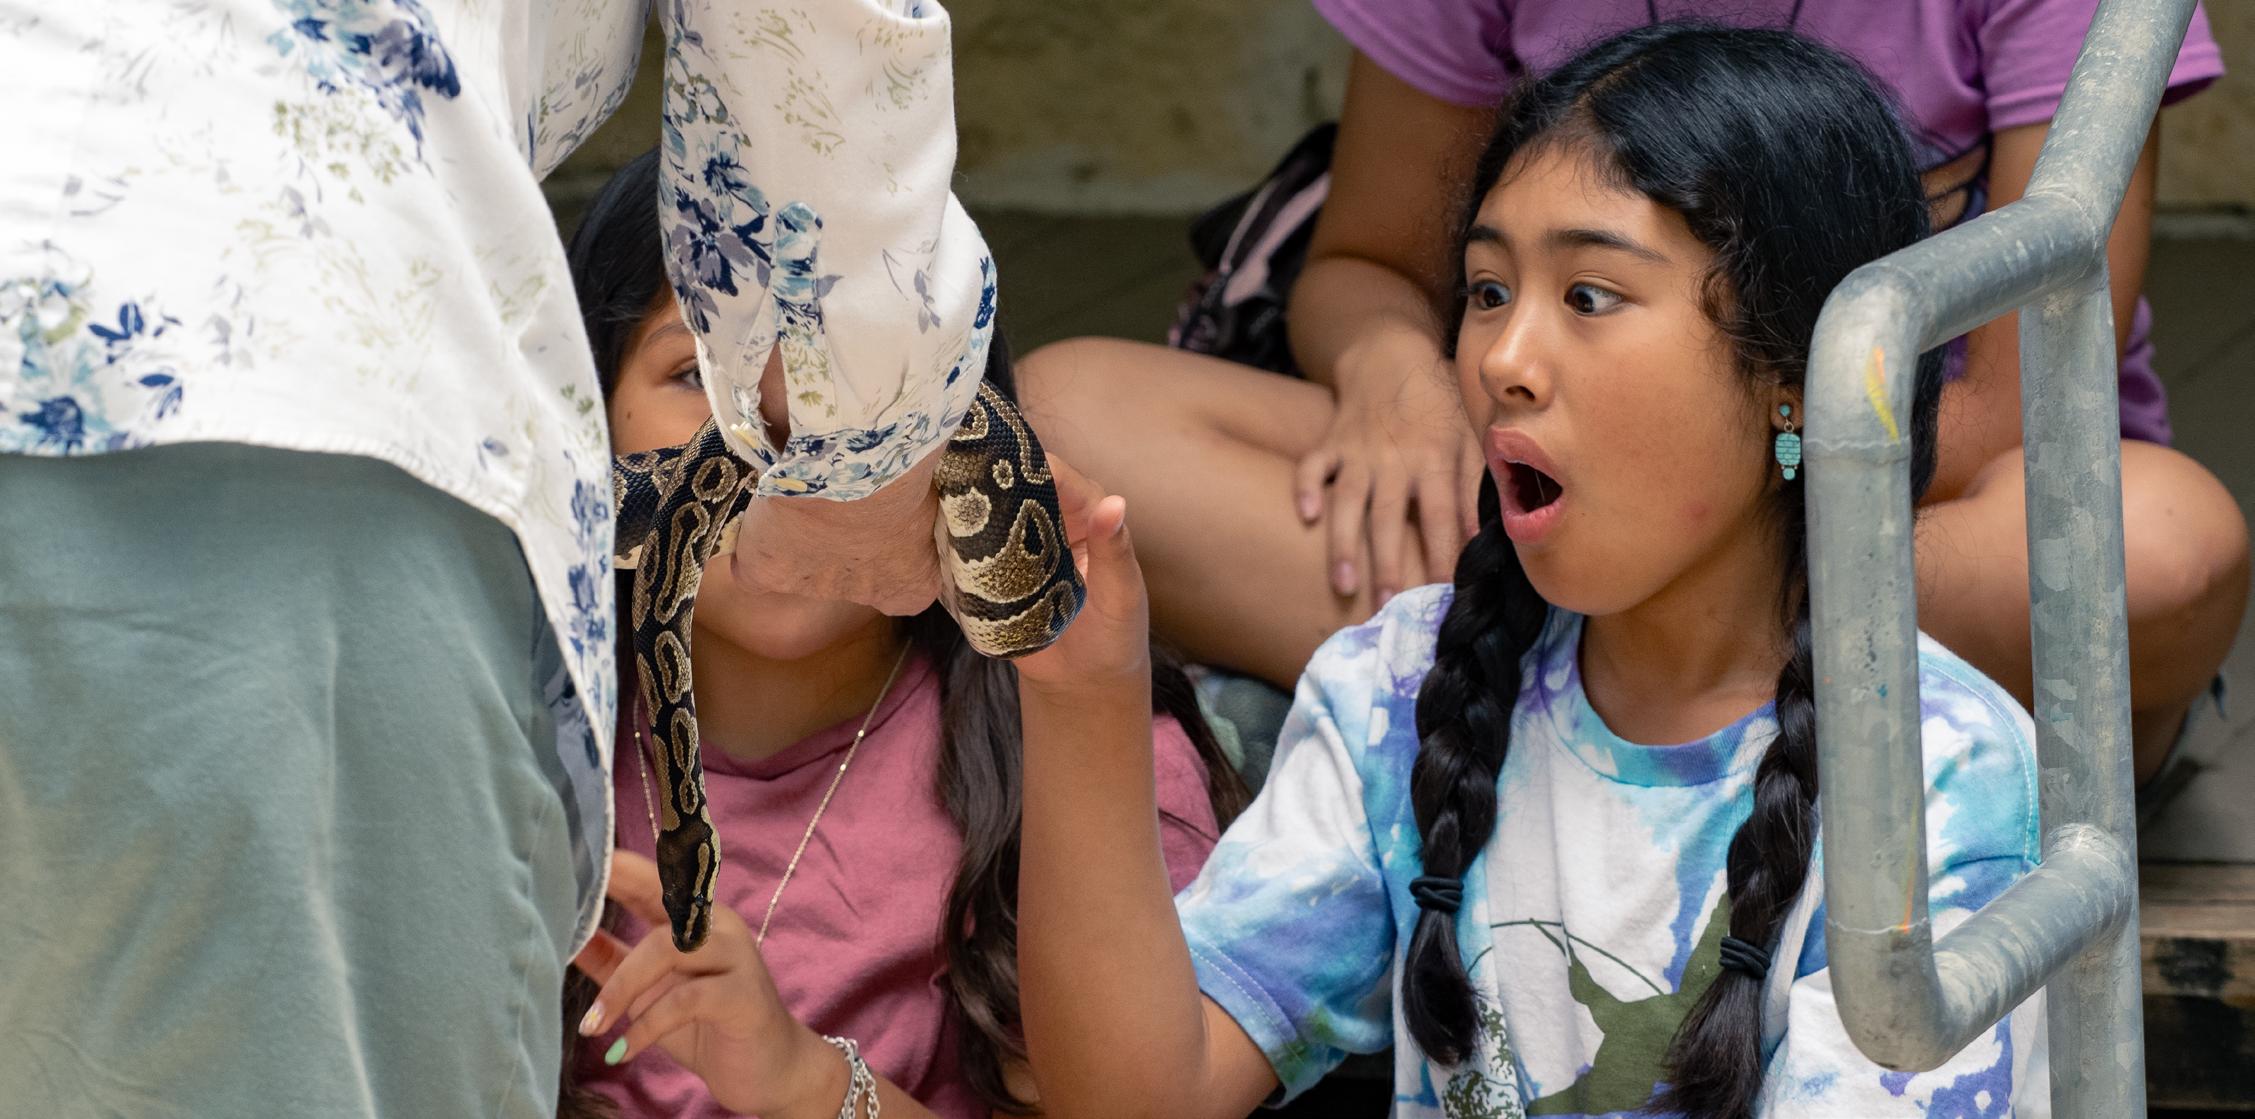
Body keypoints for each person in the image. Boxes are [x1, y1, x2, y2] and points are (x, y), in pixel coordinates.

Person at [1012, 26, 2048, 1117]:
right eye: (1486, 290)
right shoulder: (1400, 690)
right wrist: (1084, 694)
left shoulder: (1935, 779)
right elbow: (1137, 1096)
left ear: (1793, 376)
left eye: (1588, 296)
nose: (1500, 360)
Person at [0, 0, 1000, 1113]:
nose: (761, 438)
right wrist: (867, 444)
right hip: (290, 385)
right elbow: (812, 51)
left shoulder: (991, 754)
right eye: (698, 381)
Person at [1015, 0, 2246, 789]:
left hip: (1885, 511)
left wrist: (1708, 520)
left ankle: (1556, 670)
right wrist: (1396, 374)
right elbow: (1364, 264)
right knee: (1072, 420)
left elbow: (2020, 397)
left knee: (2156, 550)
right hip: (1551, 494)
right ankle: (1666, 674)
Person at [556, 150, 1247, 1118]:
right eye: (699, 373)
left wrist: (808, 1087)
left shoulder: (1085, 762)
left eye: (850, 378)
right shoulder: (503, 735)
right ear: (586, 425)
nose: (779, 446)